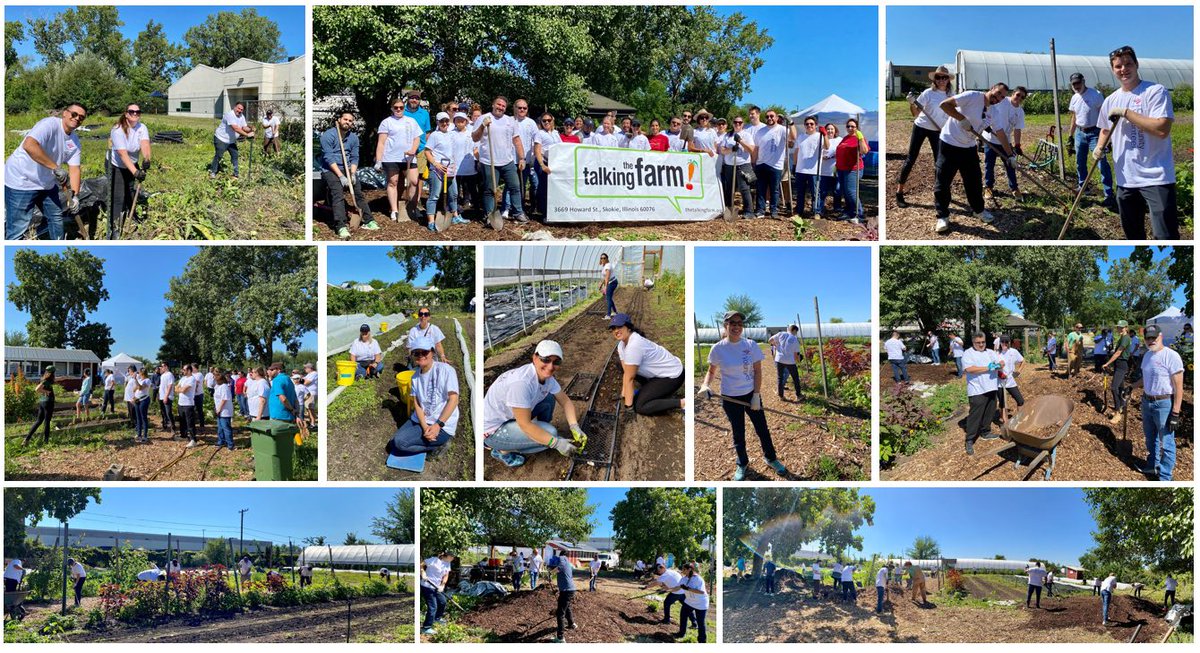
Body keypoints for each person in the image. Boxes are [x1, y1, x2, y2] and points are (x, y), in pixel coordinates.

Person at [1094, 46, 1179, 239]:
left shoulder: (1155, 92)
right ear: (1113, 70)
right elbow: (1105, 129)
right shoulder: (1110, 100)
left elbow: (1161, 129)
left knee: (1166, 236)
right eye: (1118, 66)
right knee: (1133, 235)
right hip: (1126, 179)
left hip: (1156, 177)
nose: (1123, 69)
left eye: (1128, 64)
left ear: (1136, 64)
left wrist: (1126, 113)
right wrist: (1100, 146)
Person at [699, 310, 788, 481]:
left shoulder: (750, 345)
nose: (736, 326)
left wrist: (756, 395)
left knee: (762, 429)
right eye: (733, 323)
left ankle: (771, 458)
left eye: (739, 323)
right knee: (738, 432)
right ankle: (742, 463)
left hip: (750, 395)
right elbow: (711, 371)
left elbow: (757, 371)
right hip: (730, 398)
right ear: (726, 325)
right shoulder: (718, 349)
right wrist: (706, 384)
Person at [481, 340, 586, 468]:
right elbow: (524, 424)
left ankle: (538, 434)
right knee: (551, 434)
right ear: (535, 358)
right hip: (492, 430)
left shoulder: (547, 379)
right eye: (546, 360)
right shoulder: (522, 383)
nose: (551, 366)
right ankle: (501, 452)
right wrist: (556, 443)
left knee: (548, 398)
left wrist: (574, 426)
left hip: (512, 416)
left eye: (556, 362)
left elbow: (565, 401)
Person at [934, 83, 1009, 233]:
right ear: (992, 87)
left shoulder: (994, 112)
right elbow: (945, 105)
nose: (998, 98)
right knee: (943, 181)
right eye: (998, 93)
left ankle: (978, 210)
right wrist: (961, 118)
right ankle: (942, 216)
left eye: (1002, 96)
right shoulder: (973, 96)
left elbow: (1000, 133)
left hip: (968, 147)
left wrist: (1010, 155)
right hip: (949, 142)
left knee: (974, 180)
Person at [4, 103, 85, 240]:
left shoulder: (74, 141)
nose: (77, 118)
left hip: (47, 183)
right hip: (22, 180)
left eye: (81, 117)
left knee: (56, 218)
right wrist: (55, 168)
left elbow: (75, 169)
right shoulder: (49, 125)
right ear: (65, 113)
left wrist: (75, 196)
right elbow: (29, 145)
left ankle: (59, 247)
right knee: (18, 227)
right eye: (74, 114)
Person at [391, 335, 460, 458]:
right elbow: (417, 402)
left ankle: (439, 446)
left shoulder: (446, 370)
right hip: (421, 419)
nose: (421, 355)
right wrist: (424, 426)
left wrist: (438, 425)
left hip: (442, 424)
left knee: (400, 443)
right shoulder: (415, 377)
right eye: (417, 353)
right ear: (412, 356)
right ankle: (431, 443)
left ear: (432, 352)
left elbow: (453, 399)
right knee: (395, 443)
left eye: (425, 352)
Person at [895, 66, 952, 208]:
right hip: (921, 127)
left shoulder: (951, 95)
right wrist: (912, 103)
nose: (941, 80)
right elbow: (915, 113)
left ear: (948, 79)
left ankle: (938, 192)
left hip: (937, 130)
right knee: (911, 158)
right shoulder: (928, 93)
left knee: (939, 162)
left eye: (944, 77)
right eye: (938, 77)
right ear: (935, 79)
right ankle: (899, 192)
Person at [1132, 325, 1184, 480]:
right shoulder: (1147, 355)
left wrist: (1175, 412)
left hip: (1164, 404)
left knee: (1166, 443)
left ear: (1160, 336)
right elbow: (1145, 378)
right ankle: (1152, 467)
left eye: (1153, 337)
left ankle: (1165, 477)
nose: (1150, 340)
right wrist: (1131, 387)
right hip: (1147, 402)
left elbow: (1179, 387)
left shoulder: (1171, 356)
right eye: (1147, 338)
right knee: (1150, 438)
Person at [610, 313, 685, 415]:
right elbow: (626, 372)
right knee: (621, 364)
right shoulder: (621, 345)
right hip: (658, 375)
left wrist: (629, 407)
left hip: (673, 376)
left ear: (628, 327)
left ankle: (683, 403)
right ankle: (649, 388)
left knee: (640, 406)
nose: (616, 330)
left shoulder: (634, 345)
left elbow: (629, 378)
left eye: (619, 326)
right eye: (613, 328)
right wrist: (624, 393)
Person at [321, 111, 378, 239]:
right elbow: (329, 158)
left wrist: (352, 174)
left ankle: (369, 221)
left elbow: (354, 157)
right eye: (345, 119)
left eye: (350, 120)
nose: (347, 122)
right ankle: (340, 226)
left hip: (347, 169)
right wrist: (341, 176)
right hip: (330, 169)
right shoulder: (328, 135)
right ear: (339, 120)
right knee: (338, 193)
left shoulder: (353, 138)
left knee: (358, 193)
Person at [472, 96, 527, 223]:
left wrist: (522, 158)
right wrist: (482, 126)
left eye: (503, 106)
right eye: (498, 104)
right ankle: (489, 215)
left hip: (507, 161)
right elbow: (475, 138)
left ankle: (518, 212)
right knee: (490, 190)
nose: (500, 107)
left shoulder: (510, 121)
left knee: (515, 186)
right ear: (493, 104)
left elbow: (517, 140)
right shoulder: (483, 118)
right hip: (489, 160)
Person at [1067, 72, 1116, 209]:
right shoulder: (1075, 98)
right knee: (1080, 161)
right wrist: (1070, 136)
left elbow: (1105, 115)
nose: (1076, 86)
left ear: (1083, 81)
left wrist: (1108, 139)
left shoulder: (1096, 95)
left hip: (1095, 133)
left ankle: (1108, 194)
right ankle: (1083, 187)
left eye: (1078, 83)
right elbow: (1074, 117)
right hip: (1080, 133)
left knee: (1101, 163)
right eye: (1074, 84)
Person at [373, 98, 423, 222]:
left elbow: (417, 139)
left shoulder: (411, 121)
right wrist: (379, 161)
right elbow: (381, 143)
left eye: (401, 107)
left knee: (414, 182)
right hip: (391, 158)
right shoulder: (387, 122)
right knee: (393, 182)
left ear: (404, 108)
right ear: (392, 108)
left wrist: (413, 149)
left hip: (409, 157)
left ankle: (411, 207)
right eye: (396, 107)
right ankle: (394, 210)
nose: (399, 109)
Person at [107, 103, 151, 239]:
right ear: (126, 114)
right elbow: (122, 154)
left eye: (138, 112)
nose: (135, 114)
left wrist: (147, 159)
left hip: (132, 163)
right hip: (116, 165)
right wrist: (135, 172)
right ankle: (114, 227)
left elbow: (145, 144)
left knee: (130, 190)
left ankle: (132, 215)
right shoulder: (117, 130)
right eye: (132, 112)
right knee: (118, 196)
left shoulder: (142, 127)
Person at [982, 87, 1026, 203]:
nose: (1019, 98)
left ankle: (1014, 188)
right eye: (1018, 95)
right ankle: (988, 187)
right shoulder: (1001, 101)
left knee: (1010, 164)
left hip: (1006, 141)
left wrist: (1017, 145)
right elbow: (987, 110)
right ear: (1013, 93)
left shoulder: (1020, 112)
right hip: (991, 139)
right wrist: (986, 124)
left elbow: (1017, 129)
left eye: (1022, 97)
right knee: (989, 164)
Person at [962, 332, 1002, 455]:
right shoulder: (968, 353)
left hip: (991, 387)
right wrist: (988, 368)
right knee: (975, 415)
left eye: (983, 342)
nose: (981, 344)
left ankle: (985, 432)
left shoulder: (990, 352)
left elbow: (1001, 362)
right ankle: (970, 439)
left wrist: (999, 365)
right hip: (977, 389)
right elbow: (969, 369)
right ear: (973, 343)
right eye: (978, 343)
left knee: (989, 411)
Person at [423, 111, 459, 232]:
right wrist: (435, 163)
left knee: (453, 194)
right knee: (435, 196)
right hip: (437, 170)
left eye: (446, 121)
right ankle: (431, 221)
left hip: (450, 169)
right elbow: (427, 151)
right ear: (437, 122)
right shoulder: (434, 135)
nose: (444, 123)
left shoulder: (451, 134)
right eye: (442, 121)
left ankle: (455, 217)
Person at [718, 115, 755, 219]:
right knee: (729, 188)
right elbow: (722, 150)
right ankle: (728, 210)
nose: (737, 124)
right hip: (729, 165)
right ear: (733, 123)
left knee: (744, 188)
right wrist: (732, 149)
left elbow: (751, 150)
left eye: (740, 122)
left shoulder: (747, 135)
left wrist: (740, 141)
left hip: (743, 165)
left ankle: (749, 211)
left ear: (743, 124)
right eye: (735, 122)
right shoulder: (727, 135)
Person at [754, 110, 787, 219]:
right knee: (761, 189)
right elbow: (756, 148)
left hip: (776, 165)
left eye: (772, 116)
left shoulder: (782, 130)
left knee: (775, 189)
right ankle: (760, 210)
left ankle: (774, 211)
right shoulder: (760, 131)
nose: (769, 118)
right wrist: (754, 162)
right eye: (767, 116)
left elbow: (792, 138)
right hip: (761, 163)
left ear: (776, 118)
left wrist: (791, 124)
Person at [835, 118, 870, 222]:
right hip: (841, 169)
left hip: (853, 169)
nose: (850, 128)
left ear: (857, 128)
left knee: (851, 192)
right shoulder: (845, 138)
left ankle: (859, 214)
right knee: (845, 191)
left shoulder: (860, 138)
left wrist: (860, 138)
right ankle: (849, 211)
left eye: (853, 126)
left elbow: (865, 151)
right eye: (848, 126)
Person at [210, 102, 254, 180]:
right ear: (234, 107)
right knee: (219, 155)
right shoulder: (230, 115)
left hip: (231, 141)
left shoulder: (241, 116)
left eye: (241, 109)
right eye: (238, 108)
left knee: (235, 155)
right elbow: (235, 128)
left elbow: (244, 127)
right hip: (221, 139)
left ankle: (235, 174)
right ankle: (213, 172)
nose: (239, 110)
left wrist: (250, 130)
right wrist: (247, 135)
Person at [1101, 321, 1134, 422]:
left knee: (1114, 387)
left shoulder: (1126, 338)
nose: (1119, 329)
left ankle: (1117, 412)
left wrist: (1107, 363)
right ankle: (1122, 407)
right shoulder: (1122, 337)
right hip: (1118, 365)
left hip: (1121, 365)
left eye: (1121, 327)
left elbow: (1118, 353)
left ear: (1126, 327)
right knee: (1120, 388)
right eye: (1118, 327)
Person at [792, 116, 823, 216]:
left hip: (814, 170)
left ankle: (816, 212)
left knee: (815, 193)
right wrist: (794, 165)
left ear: (816, 125)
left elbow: (826, 146)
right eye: (807, 124)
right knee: (800, 193)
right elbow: (796, 152)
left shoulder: (820, 136)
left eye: (812, 124)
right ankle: (799, 211)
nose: (809, 125)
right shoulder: (800, 137)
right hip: (800, 169)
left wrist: (825, 135)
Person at [674, 563, 709, 642]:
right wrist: (668, 589)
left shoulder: (698, 579)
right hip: (689, 601)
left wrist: (688, 588)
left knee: (700, 623)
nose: (682, 571)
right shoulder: (684, 579)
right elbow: (677, 588)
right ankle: (681, 633)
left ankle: (702, 641)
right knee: (683, 616)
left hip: (701, 603)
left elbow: (701, 592)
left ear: (689, 569)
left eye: (684, 569)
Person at [22, 369, 56, 446]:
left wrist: (67, 376)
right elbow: (37, 389)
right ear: (52, 373)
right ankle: (46, 441)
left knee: (39, 421)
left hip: (42, 402)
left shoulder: (48, 380)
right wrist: (46, 392)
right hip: (48, 403)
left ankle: (27, 439)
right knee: (47, 422)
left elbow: (59, 378)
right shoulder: (46, 381)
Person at [996, 335, 1026, 423]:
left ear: (1009, 343)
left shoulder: (1013, 351)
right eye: (1003, 342)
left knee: (1020, 401)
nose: (1004, 344)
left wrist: (1018, 372)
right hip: (999, 382)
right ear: (1000, 342)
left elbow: (1023, 361)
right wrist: (999, 373)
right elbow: (992, 367)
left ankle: (1020, 420)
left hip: (1010, 380)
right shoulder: (996, 354)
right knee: (1003, 404)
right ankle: (1005, 422)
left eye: (1006, 342)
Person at [771, 325, 803, 401]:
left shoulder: (780, 334)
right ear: (795, 331)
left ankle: (781, 396)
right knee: (795, 378)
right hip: (790, 361)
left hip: (779, 359)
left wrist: (776, 345)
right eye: (796, 332)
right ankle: (798, 395)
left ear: (788, 329)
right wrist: (798, 361)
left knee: (780, 377)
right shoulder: (795, 339)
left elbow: (770, 340)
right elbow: (796, 355)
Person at [819, 124, 843, 216]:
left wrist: (831, 156)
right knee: (823, 191)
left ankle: (837, 209)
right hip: (823, 170)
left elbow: (841, 152)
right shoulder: (821, 140)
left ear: (835, 130)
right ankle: (820, 209)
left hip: (835, 169)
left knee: (837, 191)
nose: (830, 131)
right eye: (828, 129)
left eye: (831, 129)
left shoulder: (839, 140)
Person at [175, 364, 198, 445]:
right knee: (182, 421)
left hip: (188, 404)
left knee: (190, 422)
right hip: (180, 403)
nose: (182, 371)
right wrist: (180, 389)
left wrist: (180, 389)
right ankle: (183, 436)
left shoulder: (192, 379)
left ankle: (193, 440)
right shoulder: (183, 378)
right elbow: (176, 388)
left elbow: (184, 390)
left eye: (184, 370)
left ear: (189, 370)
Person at [214, 371, 234, 451]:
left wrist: (219, 409)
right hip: (219, 410)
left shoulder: (224, 387)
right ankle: (221, 442)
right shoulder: (218, 386)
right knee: (220, 428)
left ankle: (230, 444)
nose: (215, 380)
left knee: (226, 428)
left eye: (216, 379)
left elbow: (224, 399)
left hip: (224, 411)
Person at [132, 366, 152, 444]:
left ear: (142, 373)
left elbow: (140, 388)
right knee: (138, 418)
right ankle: (139, 434)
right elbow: (135, 389)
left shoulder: (147, 380)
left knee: (143, 417)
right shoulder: (140, 380)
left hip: (144, 400)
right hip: (137, 400)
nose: (138, 374)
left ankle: (145, 435)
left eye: (139, 373)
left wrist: (136, 380)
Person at [157, 363, 176, 435]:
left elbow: (170, 386)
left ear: (166, 366)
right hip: (161, 396)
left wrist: (166, 396)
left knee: (168, 412)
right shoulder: (162, 375)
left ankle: (173, 428)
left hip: (167, 396)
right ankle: (164, 426)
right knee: (163, 412)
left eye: (161, 366)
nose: (160, 368)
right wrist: (159, 395)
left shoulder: (169, 375)